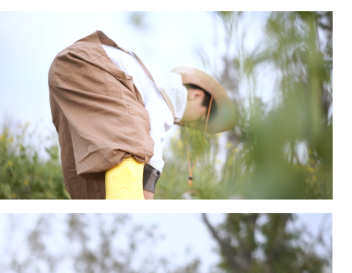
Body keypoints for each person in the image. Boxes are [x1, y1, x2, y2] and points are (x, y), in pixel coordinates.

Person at [48, 30, 236, 199]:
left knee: (94, 182)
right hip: (90, 63)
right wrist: (148, 189)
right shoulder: (165, 96)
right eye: (202, 119)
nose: (193, 125)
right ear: (197, 95)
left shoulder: (150, 79)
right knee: (133, 141)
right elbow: (151, 145)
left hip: (64, 72)